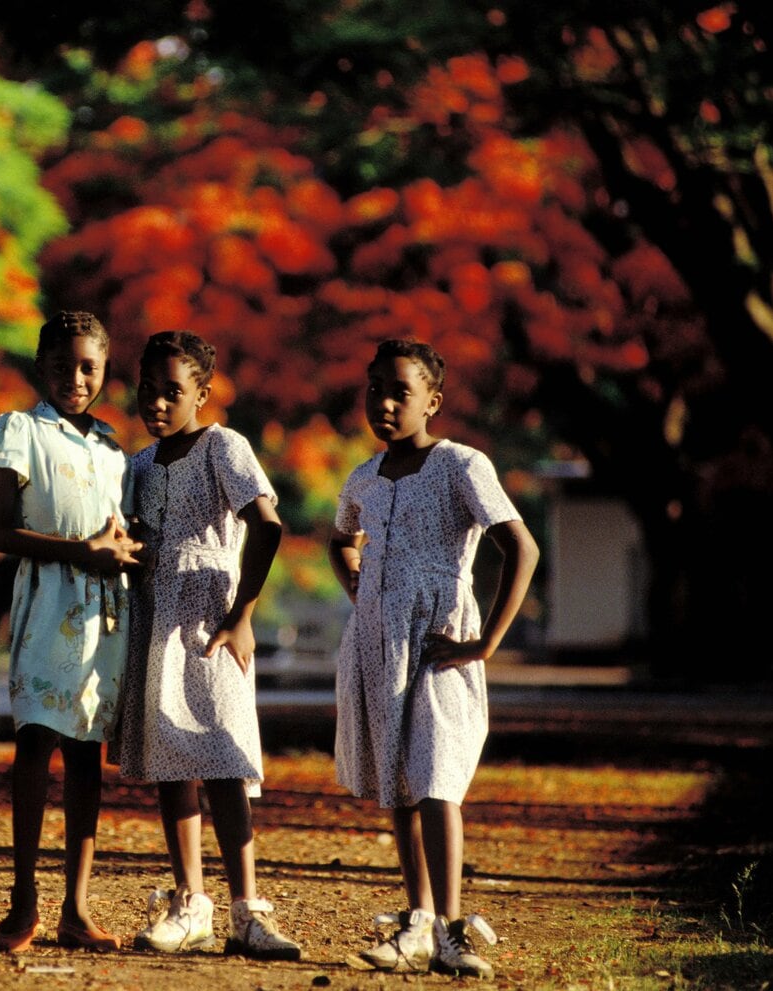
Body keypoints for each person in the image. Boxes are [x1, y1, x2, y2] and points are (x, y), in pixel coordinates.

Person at [328, 338, 539, 979]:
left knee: (438, 780)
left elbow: (520, 549)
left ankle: (452, 929)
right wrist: (363, 594)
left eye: (400, 392)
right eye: (374, 388)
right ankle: (417, 921)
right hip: (376, 645)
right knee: (399, 784)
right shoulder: (363, 476)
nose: (383, 402)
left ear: (433, 403)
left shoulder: (461, 467)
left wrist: (486, 642)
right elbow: (341, 540)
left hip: (440, 646)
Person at [115, 330, 302, 961]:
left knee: (223, 757)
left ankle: (248, 911)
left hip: (209, 619)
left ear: (203, 392)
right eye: (148, 390)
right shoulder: (138, 465)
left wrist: (242, 613)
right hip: (152, 618)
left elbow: (268, 524)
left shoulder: (224, 446)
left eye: (174, 391)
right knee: (172, 759)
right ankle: (190, 902)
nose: (159, 403)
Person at [0, 310, 142, 954]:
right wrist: (83, 552)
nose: (75, 377)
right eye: (62, 365)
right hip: (48, 604)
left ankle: (77, 907)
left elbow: (119, 532)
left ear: (104, 371)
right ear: (39, 366)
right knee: (35, 743)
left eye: (89, 367)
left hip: (108, 614)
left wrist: (126, 553)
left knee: (86, 755)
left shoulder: (112, 446)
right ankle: (24, 904)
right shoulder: (19, 429)